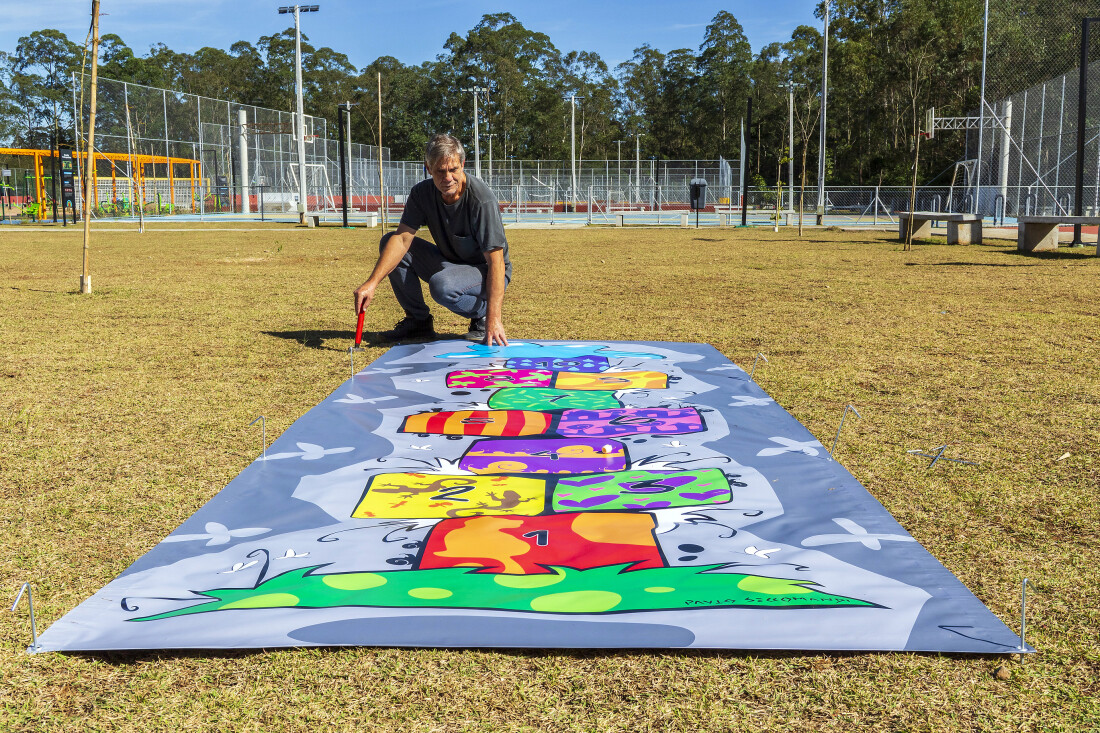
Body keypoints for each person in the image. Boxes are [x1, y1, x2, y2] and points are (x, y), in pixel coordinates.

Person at [353, 133, 511, 345]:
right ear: (428, 168)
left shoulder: (481, 200)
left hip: (485, 271)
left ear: (462, 164)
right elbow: (402, 240)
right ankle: (418, 323)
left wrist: (494, 318)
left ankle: (480, 316)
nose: (447, 178)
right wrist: (372, 283)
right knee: (389, 241)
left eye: (453, 170)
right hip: (451, 262)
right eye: (440, 171)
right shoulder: (421, 193)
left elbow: (496, 262)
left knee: (442, 285)